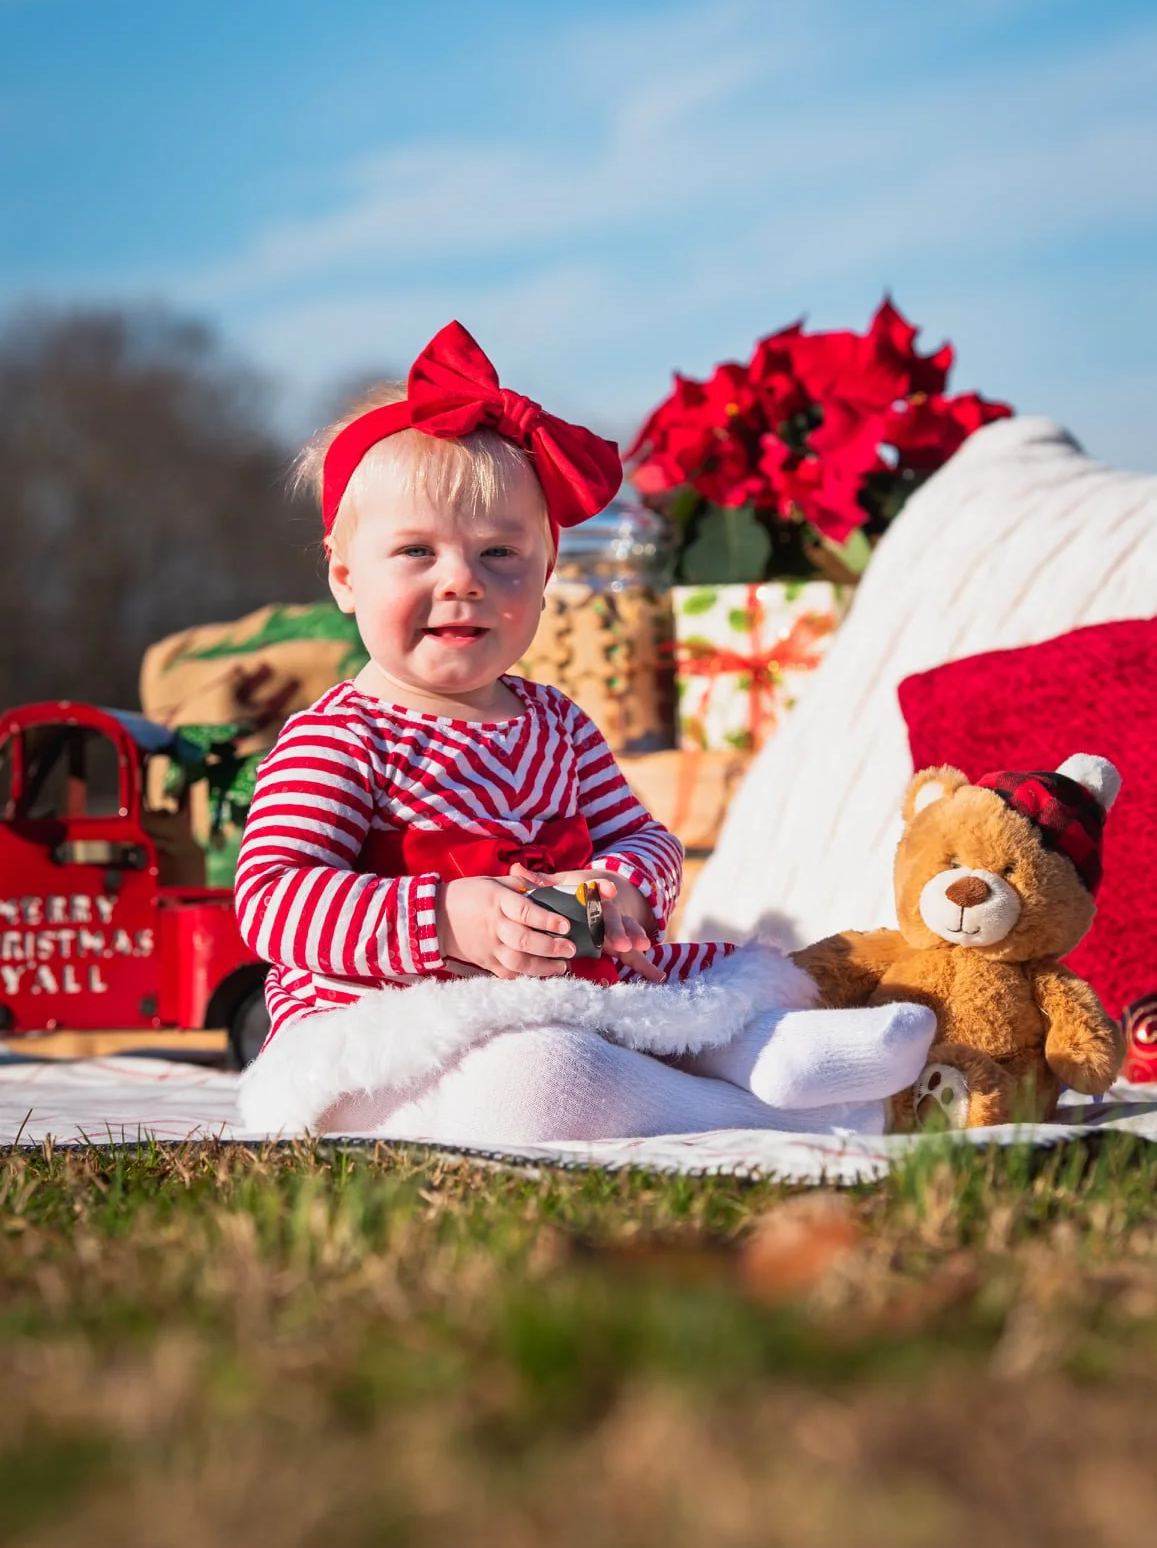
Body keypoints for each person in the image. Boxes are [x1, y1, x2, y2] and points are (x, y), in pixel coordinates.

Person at [234, 322, 934, 1141]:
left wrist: (625, 884)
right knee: (537, 1078)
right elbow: (274, 898)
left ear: (544, 575)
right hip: (387, 1032)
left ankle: (781, 1056)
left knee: (701, 1000)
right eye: (417, 551)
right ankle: (752, 1114)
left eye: (499, 553)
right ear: (346, 577)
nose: (461, 580)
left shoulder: (554, 722)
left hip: (569, 987)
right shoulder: (341, 737)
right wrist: (446, 916)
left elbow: (644, 836)